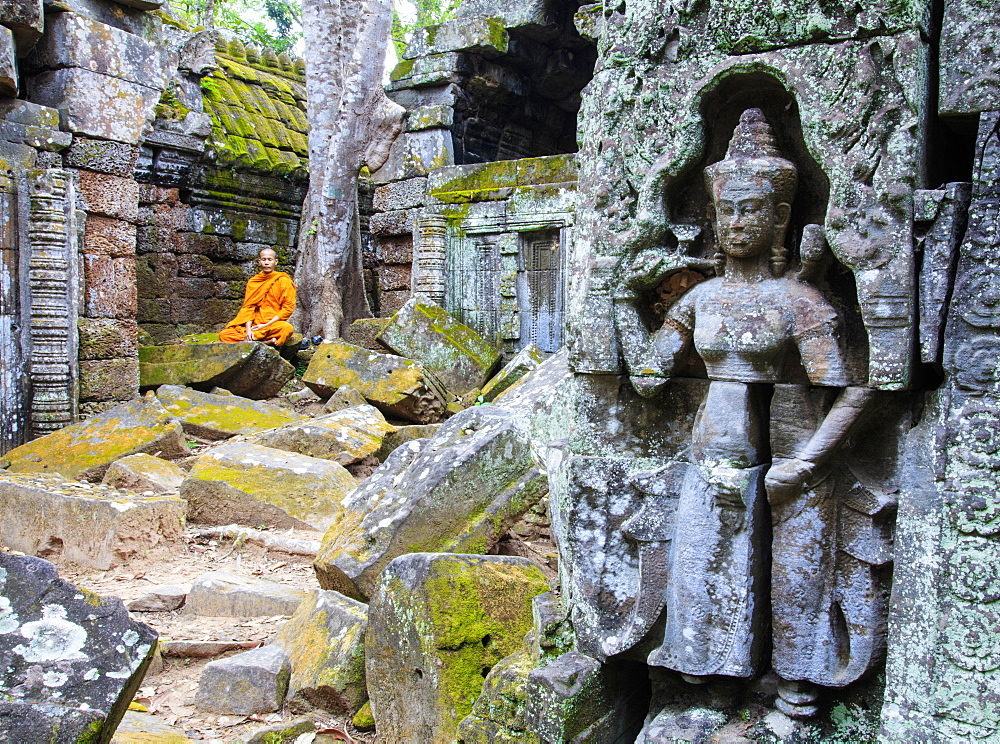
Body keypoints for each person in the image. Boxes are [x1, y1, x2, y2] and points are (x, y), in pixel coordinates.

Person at [615, 108, 880, 716]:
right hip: (710, 456)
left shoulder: (799, 301)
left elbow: (856, 389)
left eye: (751, 209)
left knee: (793, 586)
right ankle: (711, 680)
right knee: (702, 575)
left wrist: (808, 465)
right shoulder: (702, 299)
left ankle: (792, 689)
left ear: (781, 216)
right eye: (726, 210)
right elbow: (653, 377)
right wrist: (625, 298)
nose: (736, 222)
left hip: (791, 462)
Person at [219, 248, 296, 345]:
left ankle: (255, 341)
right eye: (264, 260)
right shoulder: (253, 282)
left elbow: (287, 308)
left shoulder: (283, 281)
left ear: (275, 262)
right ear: (259, 262)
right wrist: (248, 330)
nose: (266, 263)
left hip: (271, 324)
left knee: (287, 328)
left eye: (270, 259)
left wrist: (267, 324)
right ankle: (265, 342)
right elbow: (249, 307)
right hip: (254, 325)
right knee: (224, 335)